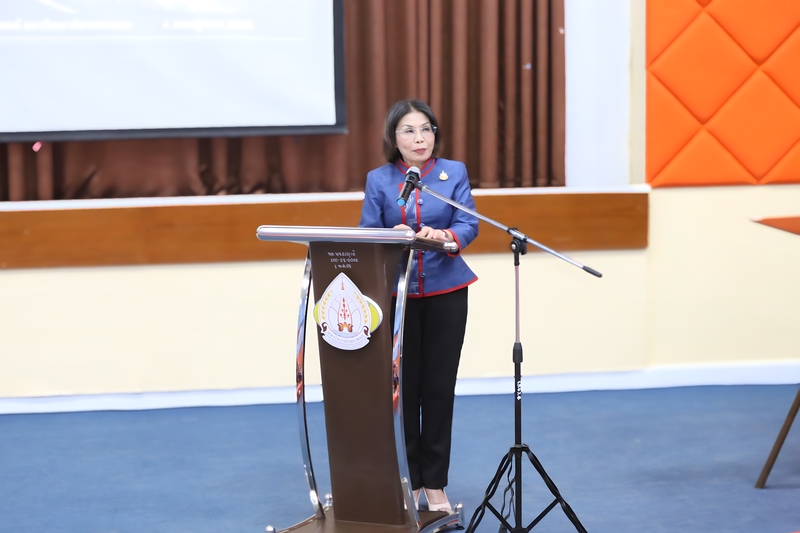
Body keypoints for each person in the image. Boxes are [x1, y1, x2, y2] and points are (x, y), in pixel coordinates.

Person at [359, 99, 479, 512]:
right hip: (398, 298)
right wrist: (389, 236)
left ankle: (436, 484)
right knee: (403, 390)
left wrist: (445, 235)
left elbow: (469, 223)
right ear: (394, 138)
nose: (419, 138)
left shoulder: (453, 173)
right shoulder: (379, 180)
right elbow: (366, 233)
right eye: (409, 130)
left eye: (426, 128)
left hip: (448, 293)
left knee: (439, 389)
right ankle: (409, 480)